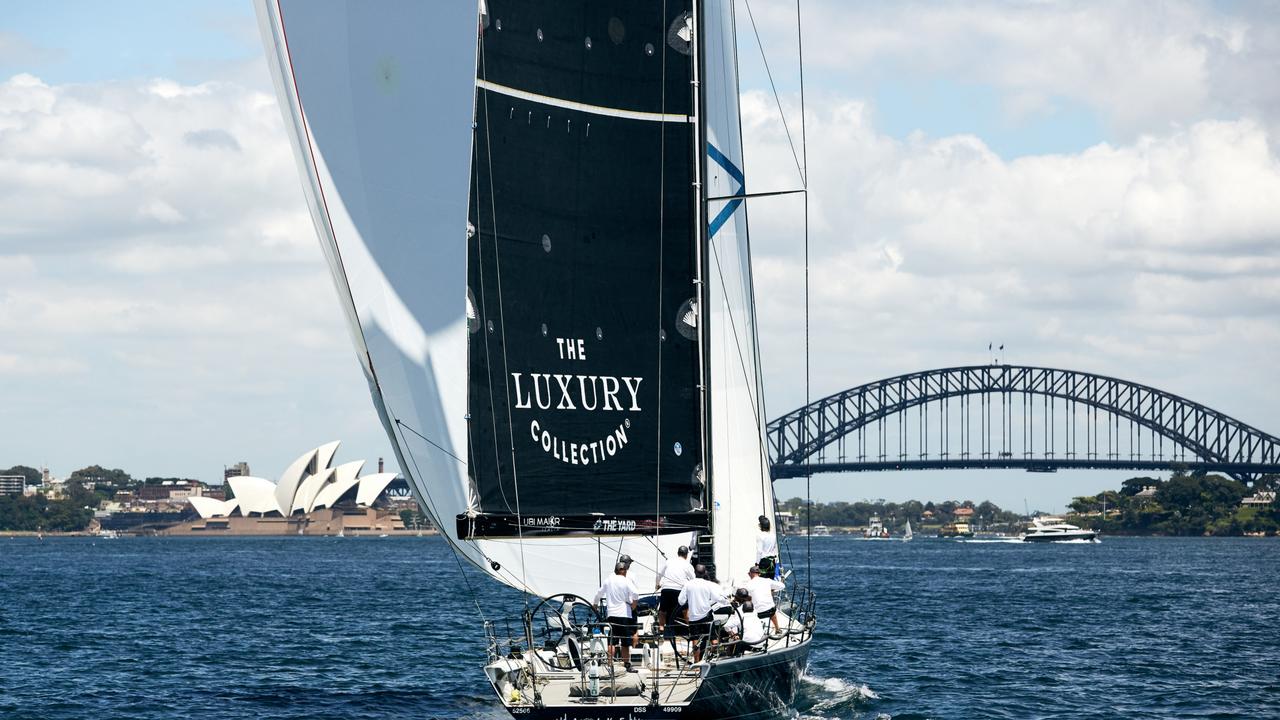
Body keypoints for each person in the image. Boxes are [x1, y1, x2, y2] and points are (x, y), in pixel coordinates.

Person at [593, 560, 640, 672]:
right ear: (623, 571)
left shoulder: (608, 580)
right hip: (624, 615)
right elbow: (636, 594)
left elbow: (599, 594)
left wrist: (595, 604)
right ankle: (627, 665)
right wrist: (633, 605)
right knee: (625, 642)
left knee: (612, 642)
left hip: (611, 615)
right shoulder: (626, 580)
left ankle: (610, 664)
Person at [677, 564, 727, 663]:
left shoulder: (688, 584)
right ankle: (712, 659)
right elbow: (717, 598)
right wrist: (727, 601)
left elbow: (681, 601)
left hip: (694, 617)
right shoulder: (708, 584)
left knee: (695, 640)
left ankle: (696, 663)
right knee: (713, 638)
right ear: (704, 573)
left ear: (694, 573)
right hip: (707, 616)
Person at [654, 545, 695, 632]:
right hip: (679, 590)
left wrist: (657, 585)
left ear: (678, 553)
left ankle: (661, 627)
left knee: (662, 610)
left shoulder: (669, 561)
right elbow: (693, 580)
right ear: (686, 555)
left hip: (666, 589)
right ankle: (691, 628)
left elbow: (659, 574)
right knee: (685, 610)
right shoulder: (688, 565)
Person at [744, 563, 786, 634]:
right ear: (759, 574)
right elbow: (782, 586)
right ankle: (777, 628)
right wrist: (772, 589)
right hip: (770, 611)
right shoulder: (767, 581)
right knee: (772, 610)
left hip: (757, 614)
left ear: (749, 574)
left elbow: (743, 595)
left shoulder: (748, 585)